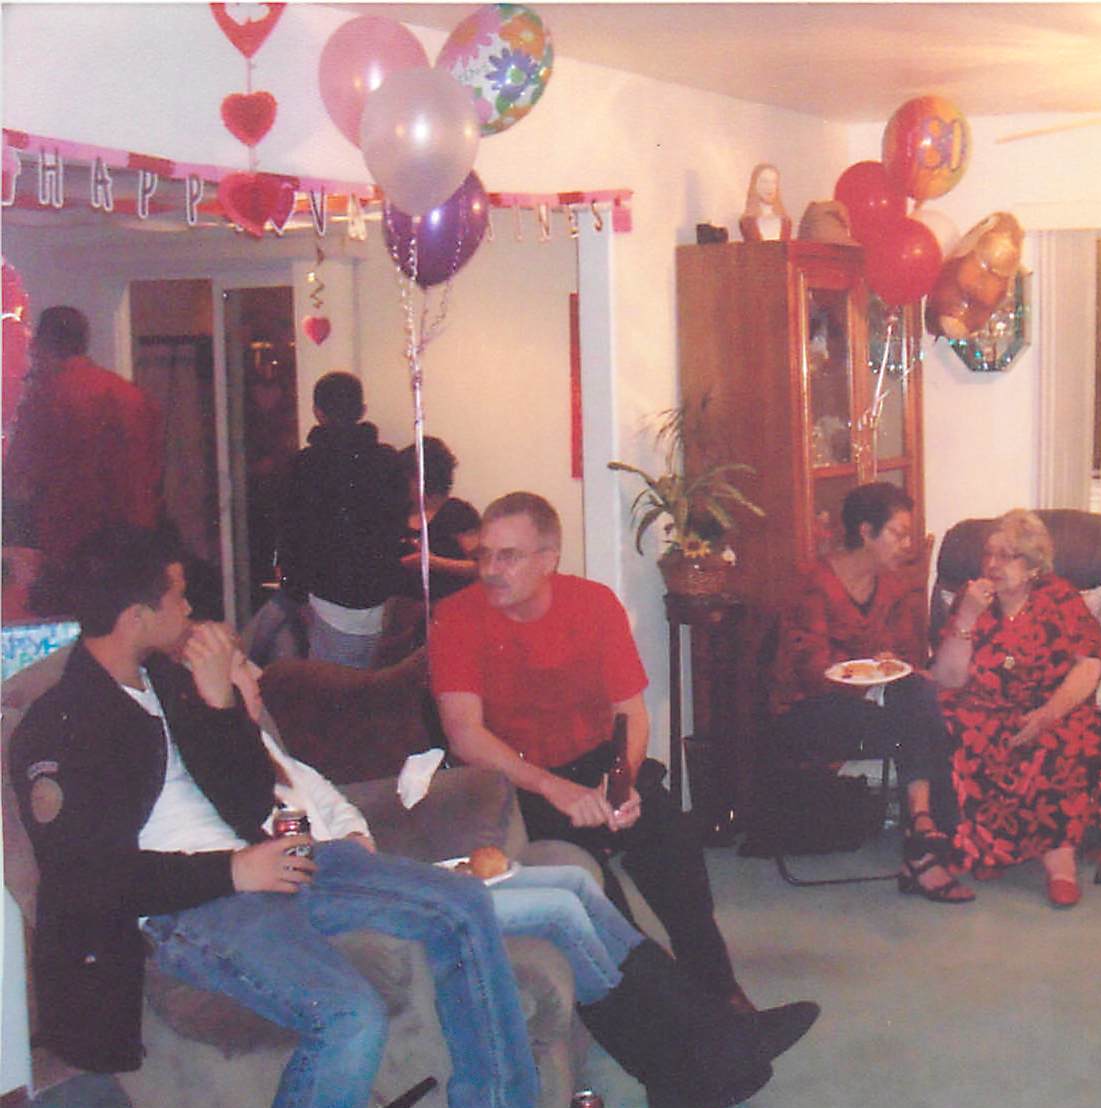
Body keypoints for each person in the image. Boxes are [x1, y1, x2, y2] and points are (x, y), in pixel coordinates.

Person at [8, 526, 611, 1108]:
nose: (191, 608)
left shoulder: (166, 683)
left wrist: (220, 703)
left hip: (274, 862)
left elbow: (247, 795)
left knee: (461, 903)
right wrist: (233, 872)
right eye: (177, 596)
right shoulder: (64, 723)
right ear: (136, 615)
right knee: (348, 1015)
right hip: (196, 906)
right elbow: (87, 879)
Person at [230, 661, 799, 1108]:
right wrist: (344, 849)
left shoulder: (272, 751)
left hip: (377, 873)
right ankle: (698, 1048)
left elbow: (337, 805)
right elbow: (269, 844)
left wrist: (353, 834)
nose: (256, 672)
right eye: (240, 665)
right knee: (560, 909)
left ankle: (693, 1053)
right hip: (354, 895)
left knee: (577, 882)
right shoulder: (233, 760)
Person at [431, 492, 816, 1032]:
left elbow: (631, 712)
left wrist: (623, 782)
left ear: (549, 559)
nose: (490, 570)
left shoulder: (593, 604)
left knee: (673, 845)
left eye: (508, 556)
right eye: (484, 555)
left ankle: (722, 995)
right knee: (599, 895)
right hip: (514, 782)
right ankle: (687, 1026)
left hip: (596, 762)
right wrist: (553, 789)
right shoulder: (456, 617)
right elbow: (465, 734)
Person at [769, 481, 970, 903]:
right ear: (866, 532)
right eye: (899, 533)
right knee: (925, 720)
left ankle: (920, 826)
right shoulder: (813, 583)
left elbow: (910, 657)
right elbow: (810, 672)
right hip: (809, 711)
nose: (908, 544)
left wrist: (889, 665)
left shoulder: (895, 588)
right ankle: (925, 846)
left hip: (878, 708)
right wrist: (870, 672)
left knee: (920, 696)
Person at [931, 509, 1101, 907]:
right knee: (956, 731)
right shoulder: (970, 600)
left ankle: (1059, 859)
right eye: (988, 554)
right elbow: (949, 679)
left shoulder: (1058, 597)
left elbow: (1091, 664)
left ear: (1032, 567)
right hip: (983, 707)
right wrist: (967, 618)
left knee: (1067, 739)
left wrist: (1049, 714)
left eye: (1006, 556)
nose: (992, 565)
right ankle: (990, 848)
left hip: (1048, 705)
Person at [1, 305, 163, 567]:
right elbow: (153, 469)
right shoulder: (131, 394)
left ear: (41, 345)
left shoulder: (47, 397)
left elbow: (18, 477)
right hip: (135, 538)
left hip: (71, 543)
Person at [276, 372, 408, 668]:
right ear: (362, 410)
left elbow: (291, 537)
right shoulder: (388, 461)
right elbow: (396, 527)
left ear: (317, 412)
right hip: (378, 595)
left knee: (331, 685)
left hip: (326, 596)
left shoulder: (305, 465)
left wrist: (297, 595)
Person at [399, 435, 481, 599]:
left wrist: (434, 563)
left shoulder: (457, 513)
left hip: (448, 606)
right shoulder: (399, 512)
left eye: (409, 478)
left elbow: (479, 567)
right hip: (402, 609)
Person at [738, 162, 791, 242]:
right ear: (755, 185)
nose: (770, 187)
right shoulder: (747, 222)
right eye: (764, 181)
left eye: (774, 182)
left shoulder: (786, 221)